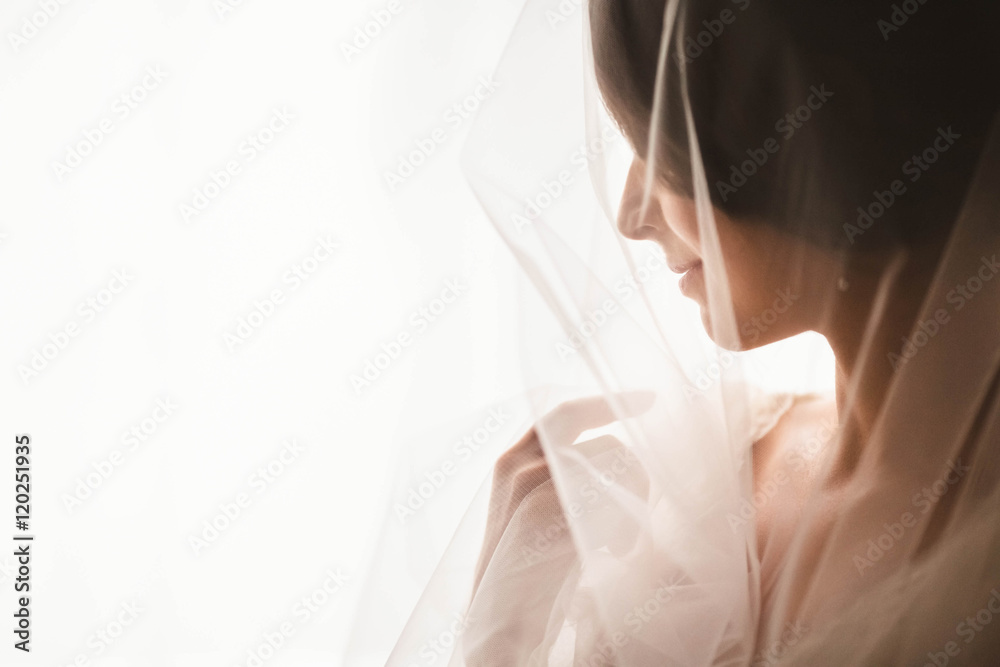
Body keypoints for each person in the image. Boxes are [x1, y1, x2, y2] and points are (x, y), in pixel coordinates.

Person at [462, 0, 1000, 664]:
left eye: (663, 148)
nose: (630, 214)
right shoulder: (710, 474)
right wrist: (500, 628)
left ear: (807, 139)